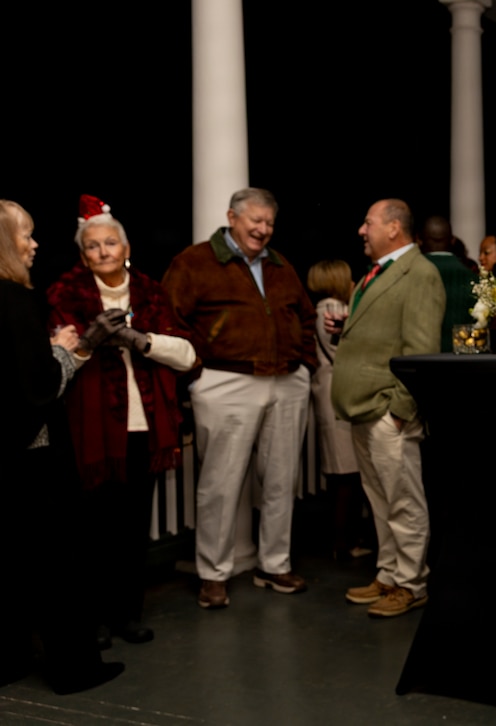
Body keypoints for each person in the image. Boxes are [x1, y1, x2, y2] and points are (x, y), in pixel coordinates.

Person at [46, 195, 196, 650]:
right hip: (89, 434)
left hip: (142, 431)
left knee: (133, 528)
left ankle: (127, 614)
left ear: (126, 248)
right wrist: (89, 343)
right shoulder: (64, 295)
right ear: (83, 254)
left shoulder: (151, 291)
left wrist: (142, 339)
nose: (103, 251)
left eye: (111, 243)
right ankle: (94, 620)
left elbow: (188, 355)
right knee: (91, 532)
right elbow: (55, 362)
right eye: (93, 246)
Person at [161, 187, 317, 609]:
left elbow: (305, 315)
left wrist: (306, 365)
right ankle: (213, 574)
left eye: (269, 223)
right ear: (232, 217)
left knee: (282, 481)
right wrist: (197, 378)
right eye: (256, 221)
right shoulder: (193, 262)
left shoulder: (281, 265)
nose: (263, 230)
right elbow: (169, 319)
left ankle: (274, 565)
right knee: (219, 486)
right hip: (225, 383)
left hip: (286, 383)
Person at [0, 199, 125, 694]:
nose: (33, 245)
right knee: (56, 567)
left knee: (9, 564)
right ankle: (75, 670)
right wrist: (69, 351)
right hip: (31, 453)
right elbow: (37, 388)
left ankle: (8, 661)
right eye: (24, 235)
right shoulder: (14, 300)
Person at [329, 198, 445, 618]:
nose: (362, 230)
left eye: (369, 222)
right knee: (380, 501)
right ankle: (390, 574)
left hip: (387, 411)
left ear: (394, 227)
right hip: (364, 409)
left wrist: (399, 410)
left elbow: (421, 348)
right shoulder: (375, 274)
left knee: (404, 502)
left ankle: (412, 584)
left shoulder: (420, 273)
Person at [306, 259, 373, 561]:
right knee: (345, 477)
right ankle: (343, 544)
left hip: (329, 397)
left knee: (342, 476)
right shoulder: (332, 309)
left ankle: (343, 541)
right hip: (337, 399)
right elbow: (345, 352)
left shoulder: (322, 308)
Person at [418, 214, 474, 352]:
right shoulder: (473, 279)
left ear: (419, 240)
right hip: (461, 361)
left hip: (420, 361)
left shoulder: (410, 275)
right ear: (452, 240)